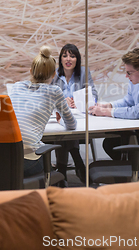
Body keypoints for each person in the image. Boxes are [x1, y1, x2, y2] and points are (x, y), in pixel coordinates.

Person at [88, 47, 139, 160]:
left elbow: (137, 111)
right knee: (110, 143)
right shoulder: (136, 80)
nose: (127, 76)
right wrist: (109, 105)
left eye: (129, 73)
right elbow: (128, 101)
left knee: (135, 144)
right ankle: (129, 171)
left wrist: (106, 112)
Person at [9, 46, 77, 178]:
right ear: (53, 74)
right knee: (46, 163)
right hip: (28, 161)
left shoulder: (17, 86)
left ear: (31, 71)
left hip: (5, 158)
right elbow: (71, 125)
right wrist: (59, 120)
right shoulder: (54, 91)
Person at [51, 43, 97, 183]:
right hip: (59, 117)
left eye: (72, 56)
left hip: (79, 118)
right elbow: (47, 96)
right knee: (64, 128)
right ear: (60, 59)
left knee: (69, 127)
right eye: (64, 56)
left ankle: (62, 170)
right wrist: (62, 102)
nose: (68, 59)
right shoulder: (54, 74)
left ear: (77, 59)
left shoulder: (83, 73)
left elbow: (93, 94)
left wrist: (79, 101)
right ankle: (77, 161)